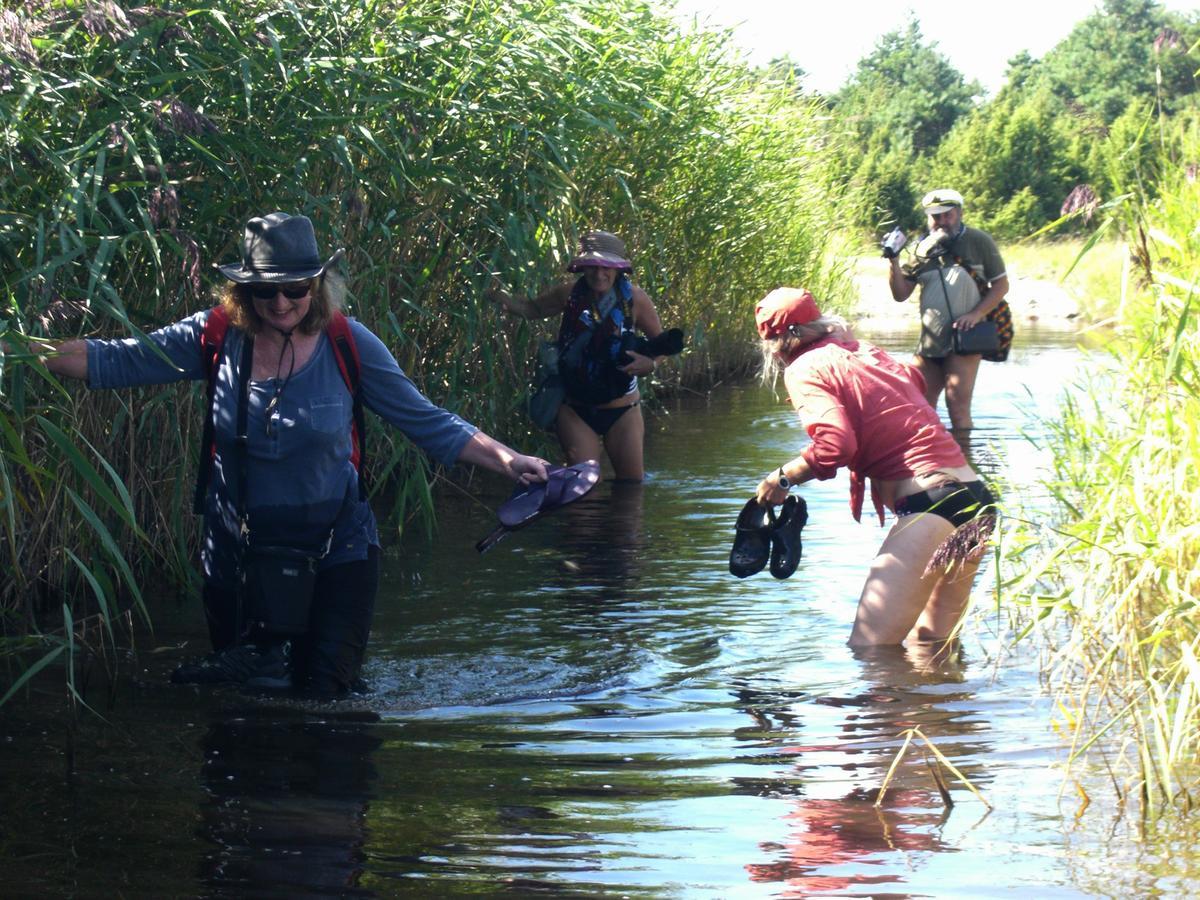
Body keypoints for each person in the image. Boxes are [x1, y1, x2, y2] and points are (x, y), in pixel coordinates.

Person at [33, 212, 548, 697]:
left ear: (316, 285)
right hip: (238, 553)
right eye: (264, 290)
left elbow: (430, 421)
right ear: (243, 290)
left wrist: (510, 461)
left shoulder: (349, 343)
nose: (280, 302)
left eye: (295, 289)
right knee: (248, 704)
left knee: (326, 698)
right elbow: (114, 361)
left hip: (337, 547)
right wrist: (20, 345)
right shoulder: (215, 336)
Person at [751, 287, 996, 649]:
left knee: (871, 652)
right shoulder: (866, 351)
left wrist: (782, 478)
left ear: (775, 344)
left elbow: (836, 443)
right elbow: (914, 382)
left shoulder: (804, 368)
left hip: (929, 504)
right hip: (975, 500)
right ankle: (950, 704)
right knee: (933, 648)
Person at [488, 230, 667, 482]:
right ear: (582, 267)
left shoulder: (636, 300)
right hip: (575, 410)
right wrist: (496, 294)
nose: (599, 273)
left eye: (606, 267)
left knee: (631, 487)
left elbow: (662, 345)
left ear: (619, 269)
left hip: (623, 409)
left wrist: (650, 363)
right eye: (592, 266)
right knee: (582, 488)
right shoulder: (568, 294)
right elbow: (531, 309)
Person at [886, 188, 1009, 432]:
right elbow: (900, 294)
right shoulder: (921, 249)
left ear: (960, 213)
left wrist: (975, 315)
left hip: (964, 339)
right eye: (935, 216)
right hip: (929, 342)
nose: (941, 221)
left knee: (957, 408)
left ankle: (966, 465)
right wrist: (894, 262)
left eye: (947, 215)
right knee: (918, 406)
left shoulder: (978, 240)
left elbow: (1001, 286)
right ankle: (930, 466)